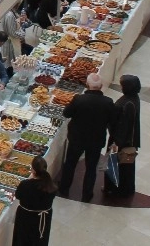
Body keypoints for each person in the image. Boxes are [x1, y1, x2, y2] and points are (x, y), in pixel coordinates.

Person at [58, 73, 116, 202]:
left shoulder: (79, 99)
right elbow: (112, 120)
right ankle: (87, 194)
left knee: (70, 164)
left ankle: (64, 188)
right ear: (101, 86)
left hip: (77, 138)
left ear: (87, 85)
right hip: (96, 140)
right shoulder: (108, 102)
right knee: (91, 168)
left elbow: (66, 113)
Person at [105, 75, 141, 197]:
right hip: (128, 140)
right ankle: (125, 188)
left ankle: (113, 189)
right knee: (127, 166)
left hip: (120, 140)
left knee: (115, 164)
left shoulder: (128, 103)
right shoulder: (134, 98)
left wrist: (116, 140)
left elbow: (123, 123)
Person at [13, 156, 58, 246]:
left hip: (25, 218)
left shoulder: (25, 185)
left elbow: (18, 196)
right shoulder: (51, 186)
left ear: (33, 170)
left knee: (23, 240)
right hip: (43, 219)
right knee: (40, 240)